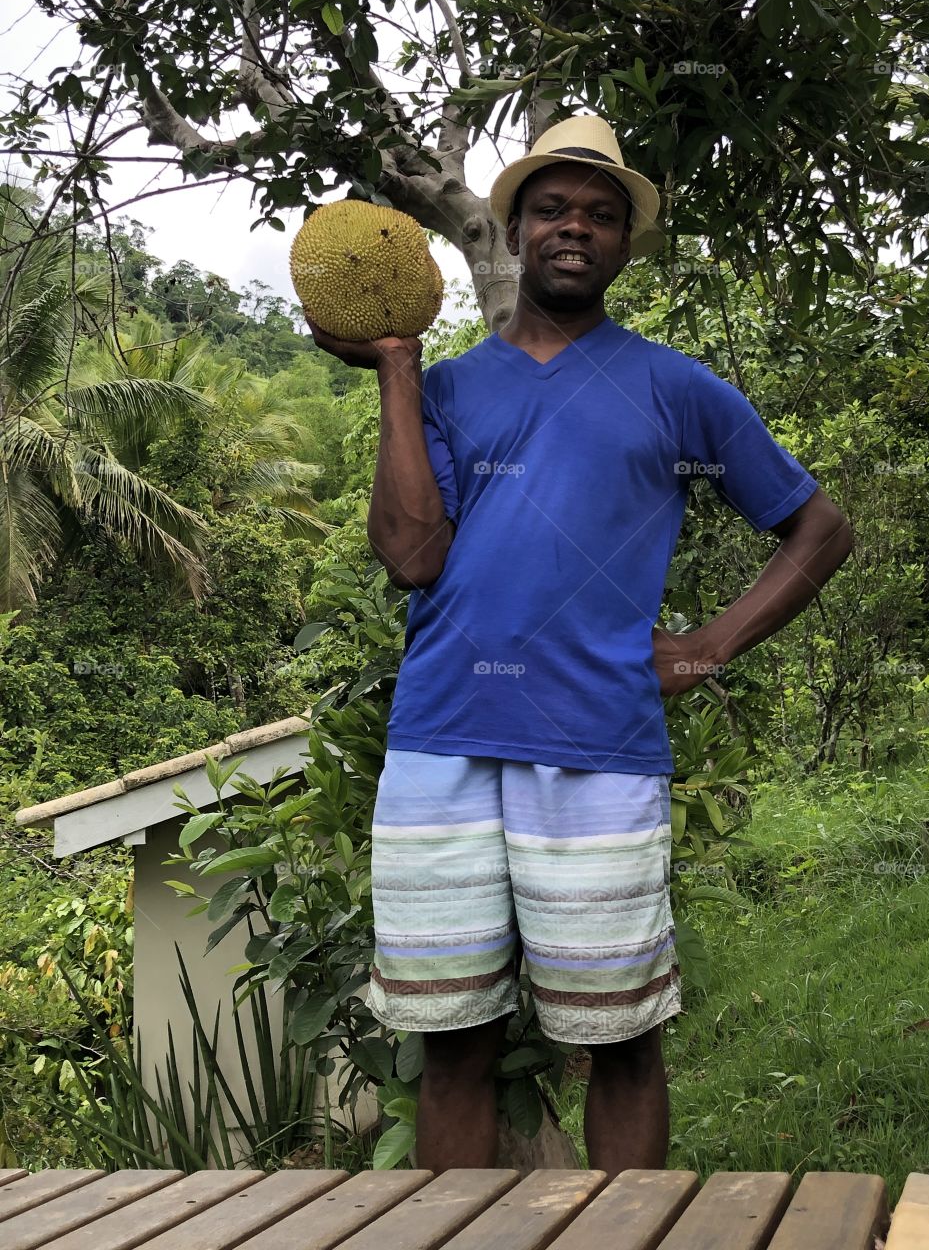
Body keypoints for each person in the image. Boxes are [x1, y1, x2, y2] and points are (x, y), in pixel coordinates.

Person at [305, 115, 853, 1177]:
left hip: (597, 751)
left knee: (621, 1042)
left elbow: (818, 528)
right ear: (512, 228)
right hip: (442, 745)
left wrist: (703, 648)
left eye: (602, 215)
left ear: (623, 246)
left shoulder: (676, 387)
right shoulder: (451, 387)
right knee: (454, 1043)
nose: (575, 228)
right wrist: (396, 370)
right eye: (553, 207)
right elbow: (414, 556)